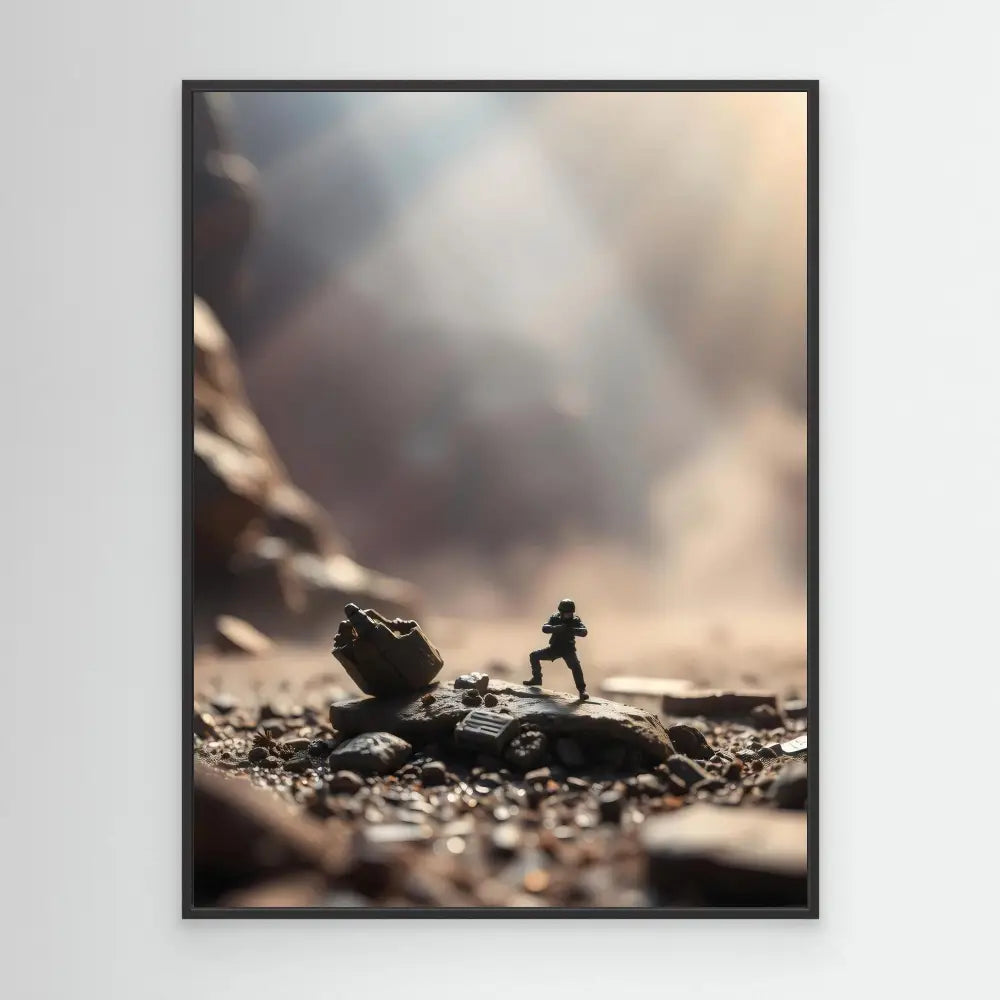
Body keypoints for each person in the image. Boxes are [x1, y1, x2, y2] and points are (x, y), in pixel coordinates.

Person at [524, 598, 589, 700]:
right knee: (534, 655)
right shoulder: (555, 618)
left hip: (568, 650)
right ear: (561, 612)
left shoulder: (575, 620)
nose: (568, 615)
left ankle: (582, 690)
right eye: (566, 613)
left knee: (576, 666)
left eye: (570, 613)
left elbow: (584, 631)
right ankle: (537, 678)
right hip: (555, 648)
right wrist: (558, 628)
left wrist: (572, 630)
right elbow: (545, 628)